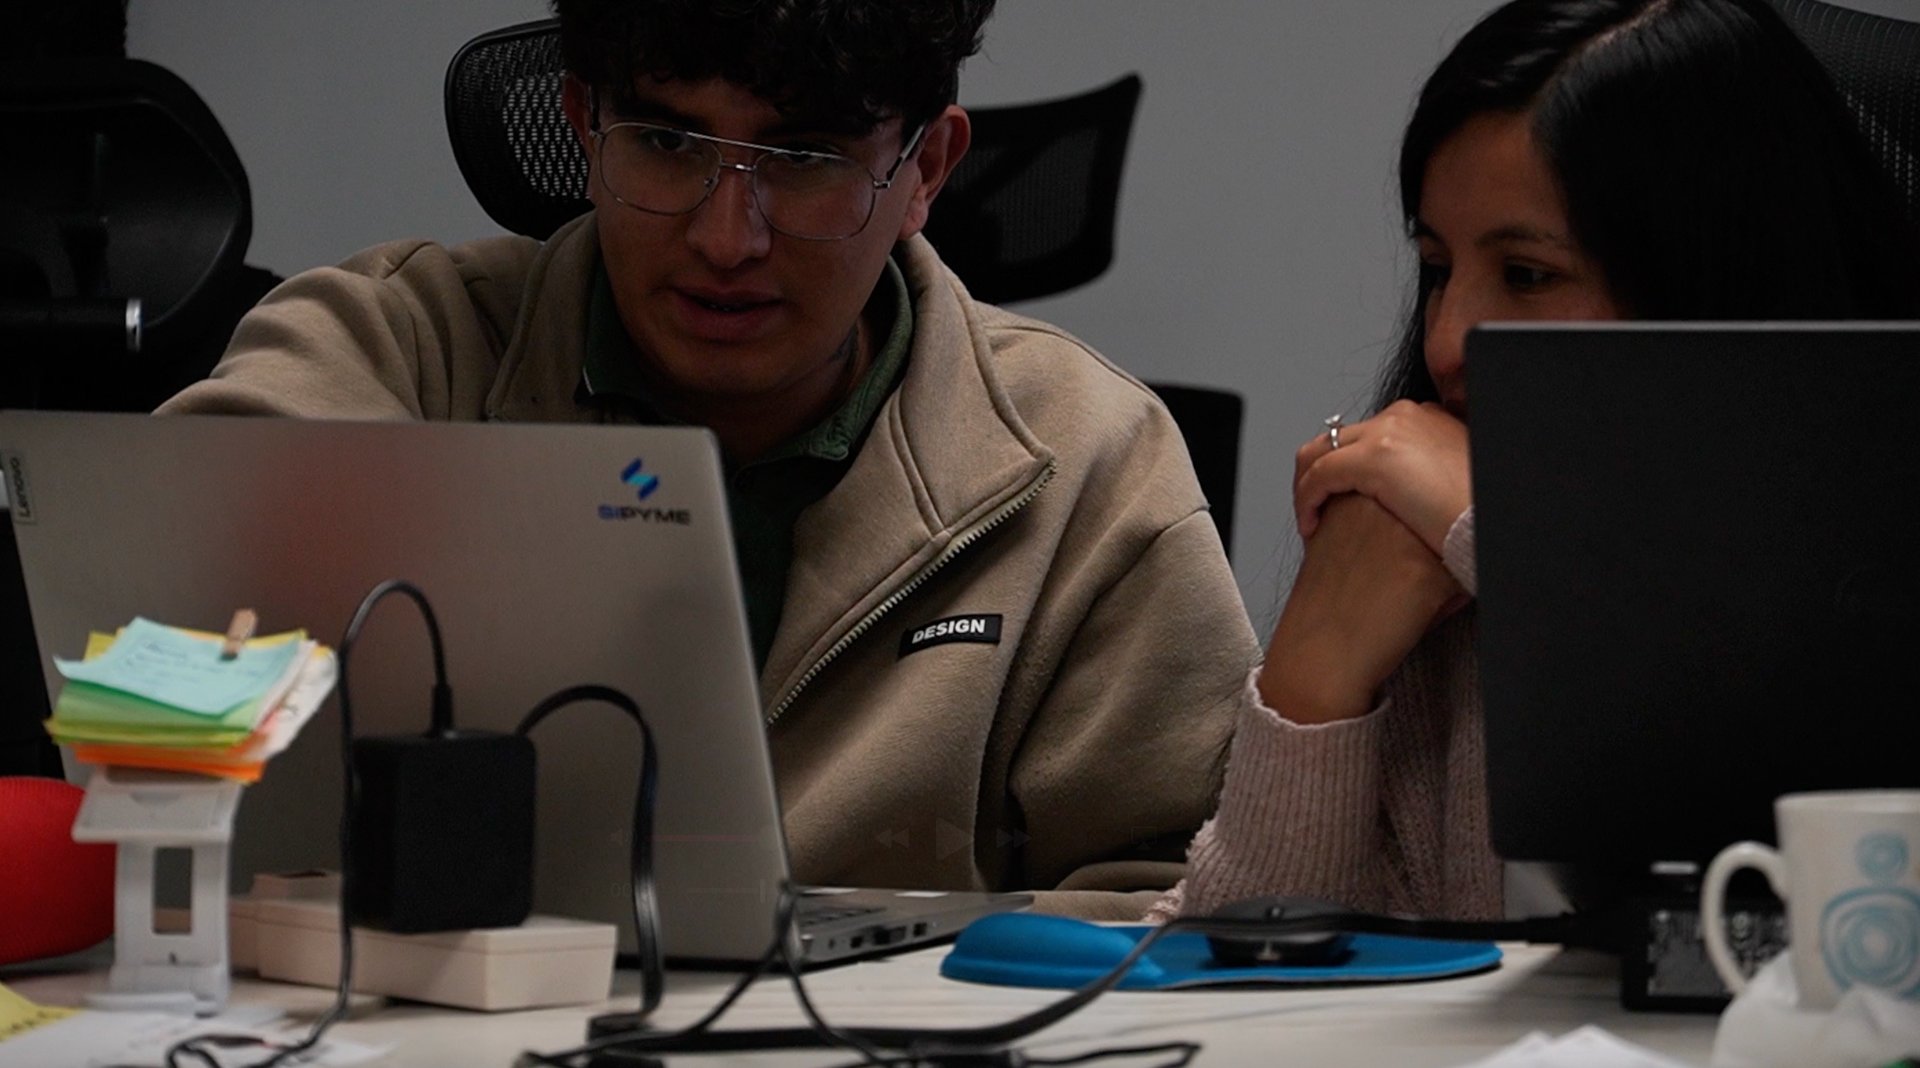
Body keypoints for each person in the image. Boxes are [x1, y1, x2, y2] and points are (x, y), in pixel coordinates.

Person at [160, 0, 1258, 919]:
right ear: (584, 124)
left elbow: (1171, 904)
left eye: (807, 160)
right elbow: (167, 606)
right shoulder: (398, 350)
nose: (726, 236)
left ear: (925, 168)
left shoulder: (1088, 460)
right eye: (669, 144)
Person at [1153, 0, 1920, 922]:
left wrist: (1513, 540)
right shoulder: (1418, 556)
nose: (1445, 343)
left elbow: (1775, 918)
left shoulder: (1873, 561)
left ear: (1715, 278)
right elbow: (1237, 974)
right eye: (1439, 268)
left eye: (1527, 274)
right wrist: (1315, 685)